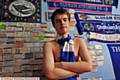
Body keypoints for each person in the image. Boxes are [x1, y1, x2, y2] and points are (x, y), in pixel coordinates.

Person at [43, 8, 93, 80]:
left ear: (69, 22)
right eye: (58, 21)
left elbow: (88, 66)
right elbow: (50, 74)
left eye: (65, 20)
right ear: (54, 25)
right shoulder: (49, 45)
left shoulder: (79, 42)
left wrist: (60, 65)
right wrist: (77, 71)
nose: (62, 23)